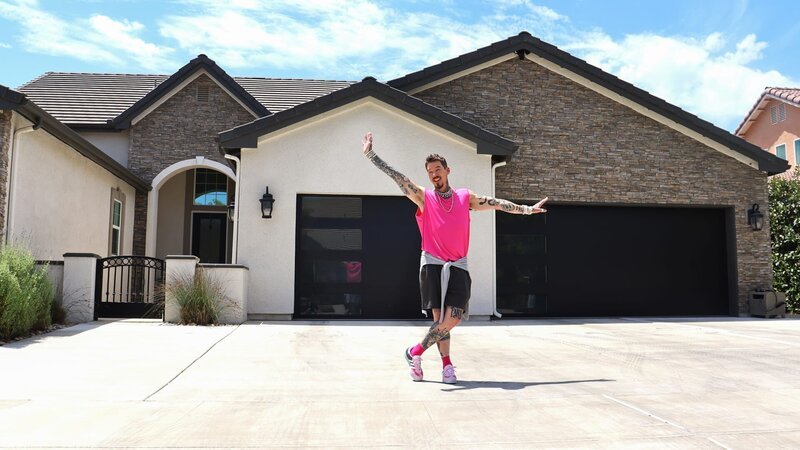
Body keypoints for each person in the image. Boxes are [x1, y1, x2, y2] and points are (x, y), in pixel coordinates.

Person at [362, 132, 548, 383]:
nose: (434, 174)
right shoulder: (424, 198)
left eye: (437, 169)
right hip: (433, 264)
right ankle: (446, 366)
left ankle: (414, 352)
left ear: (448, 170)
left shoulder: (464, 197)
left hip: (458, 265)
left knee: (453, 318)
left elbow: (494, 202)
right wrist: (372, 155)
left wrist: (526, 210)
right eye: (429, 171)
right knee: (440, 321)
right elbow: (399, 179)